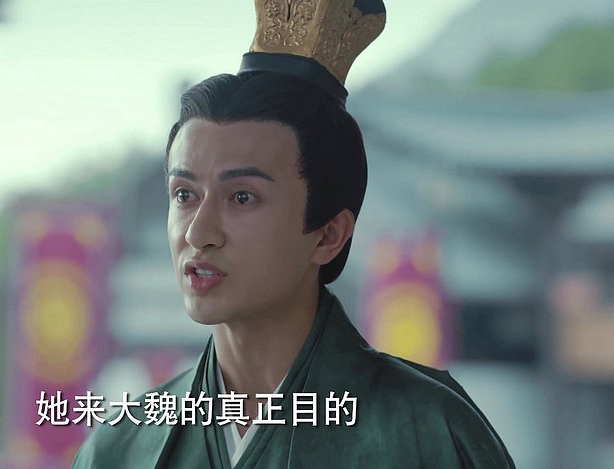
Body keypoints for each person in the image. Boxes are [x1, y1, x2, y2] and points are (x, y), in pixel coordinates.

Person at [73, 0, 515, 467]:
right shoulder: (122, 447)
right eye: (184, 194)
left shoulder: (428, 432)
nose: (199, 233)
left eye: (242, 197)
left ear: (329, 234)